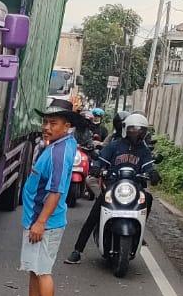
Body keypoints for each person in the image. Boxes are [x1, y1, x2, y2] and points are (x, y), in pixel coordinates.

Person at [4, 96, 84, 296]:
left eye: (53, 123)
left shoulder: (60, 152)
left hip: (45, 223)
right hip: (37, 220)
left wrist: (40, 222)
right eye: (46, 122)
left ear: (67, 126)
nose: (47, 127)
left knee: (42, 271)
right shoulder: (57, 145)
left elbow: (56, 191)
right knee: (34, 269)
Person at [65, 111, 157, 264]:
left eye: (140, 130)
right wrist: (96, 167)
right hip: (113, 187)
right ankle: (77, 250)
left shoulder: (144, 150)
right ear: (125, 129)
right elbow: (101, 160)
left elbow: (149, 167)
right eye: (133, 129)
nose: (136, 133)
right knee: (94, 215)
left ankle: (139, 228)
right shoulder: (115, 145)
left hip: (134, 189)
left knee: (148, 198)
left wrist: (153, 174)